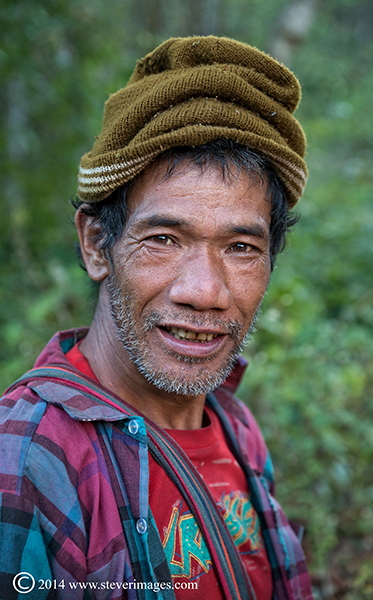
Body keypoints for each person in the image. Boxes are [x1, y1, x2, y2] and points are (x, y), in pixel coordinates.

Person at [0, 36, 313, 599]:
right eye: (164, 239)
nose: (206, 292)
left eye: (242, 247)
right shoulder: (27, 459)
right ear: (98, 245)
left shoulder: (235, 427)